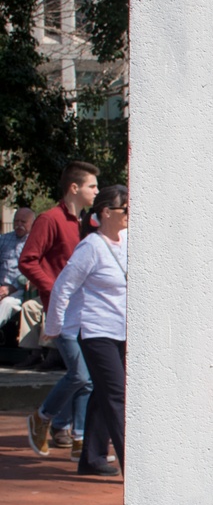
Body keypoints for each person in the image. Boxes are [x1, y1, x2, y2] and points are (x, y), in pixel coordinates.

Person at [45, 185, 127, 475]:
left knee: (104, 393)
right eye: (125, 210)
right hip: (96, 331)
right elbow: (63, 288)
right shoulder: (91, 247)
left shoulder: (129, 241)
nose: (130, 215)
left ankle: (92, 458)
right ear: (106, 213)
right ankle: (132, 462)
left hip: (122, 331)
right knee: (117, 395)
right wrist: (53, 328)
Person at [20, 161, 100, 456]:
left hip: (84, 311)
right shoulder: (50, 219)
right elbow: (28, 260)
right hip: (61, 312)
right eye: (92, 186)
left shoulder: (83, 223)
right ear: (74, 187)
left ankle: (74, 435)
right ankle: (43, 418)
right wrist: (55, 289)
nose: (97, 191)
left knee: (87, 376)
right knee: (80, 375)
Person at [0, 208, 35, 336]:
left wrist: (11, 287)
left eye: (23, 222)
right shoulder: (3, 240)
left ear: (32, 223)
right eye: (16, 221)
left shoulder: (35, 242)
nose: (19, 225)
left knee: (7, 303)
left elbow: (33, 269)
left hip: (21, 290)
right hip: (1, 286)